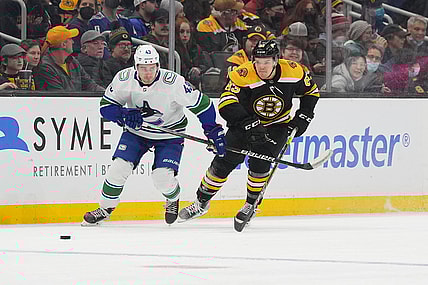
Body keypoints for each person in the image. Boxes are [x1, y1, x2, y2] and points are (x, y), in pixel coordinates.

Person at [178, 40, 320, 227]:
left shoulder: (294, 71)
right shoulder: (242, 74)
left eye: (267, 62)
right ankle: (201, 203)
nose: (262, 66)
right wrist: (248, 123)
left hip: (277, 126)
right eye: (258, 61)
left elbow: (311, 92)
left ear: (276, 60)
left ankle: (250, 204)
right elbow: (226, 103)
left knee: (260, 164)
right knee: (223, 163)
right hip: (244, 124)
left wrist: (303, 117)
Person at [82, 44, 226, 226]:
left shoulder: (173, 83)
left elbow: (202, 104)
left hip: (169, 135)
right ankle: (105, 209)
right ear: (136, 67)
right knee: (118, 168)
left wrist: (212, 129)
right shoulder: (124, 78)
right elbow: (105, 107)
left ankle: (173, 198)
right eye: (143, 68)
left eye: (152, 68)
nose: (148, 73)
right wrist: (124, 115)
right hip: (137, 133)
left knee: (161, 177)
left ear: (158, 66)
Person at [34, 26, 104, 91]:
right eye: (70, 39)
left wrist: (105, 94)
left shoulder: (73, 62)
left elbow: (89, 84)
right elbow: (58, 95)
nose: (73, 42)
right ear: (63, 44)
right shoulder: (45, 67)